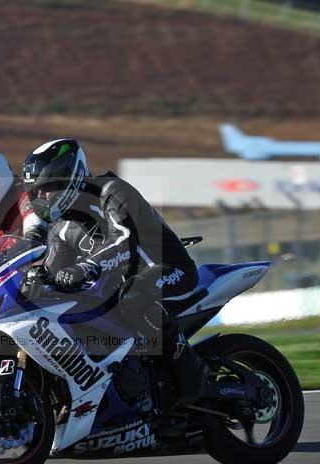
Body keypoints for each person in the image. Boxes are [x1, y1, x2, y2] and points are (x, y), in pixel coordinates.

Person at [22, 138, 208, 406]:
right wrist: (35, 280)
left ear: (70, 176)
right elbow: (54, 268)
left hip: (169, 269)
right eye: (36, 191)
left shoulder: (112, 191)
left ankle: (192, 374)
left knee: (134, 293)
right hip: (115, 285)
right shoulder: (62, 228)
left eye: (47, 188)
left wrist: (85, 267)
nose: (42, 196)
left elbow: (123, 242)